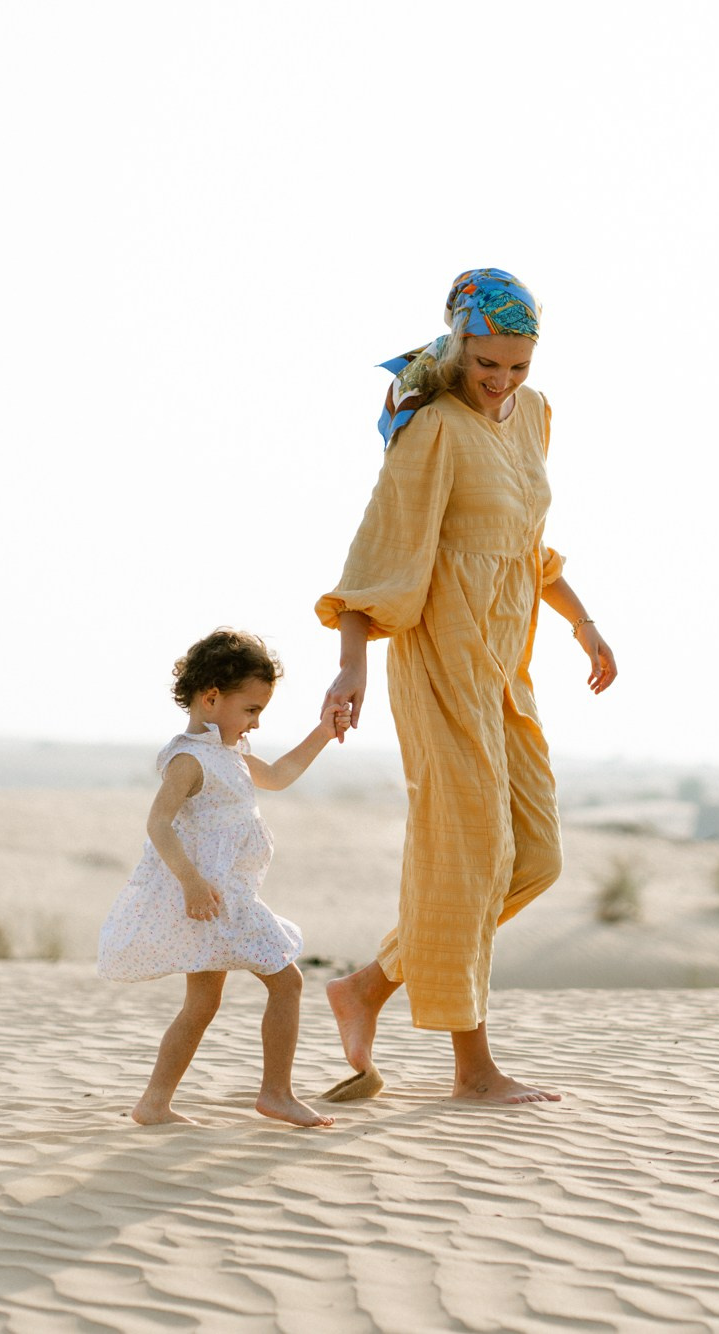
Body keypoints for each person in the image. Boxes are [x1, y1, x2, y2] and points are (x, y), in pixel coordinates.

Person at [316, 268, 617, 1105]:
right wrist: (350, 665)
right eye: (488, 362)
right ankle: (472, 1069)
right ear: (457, 340)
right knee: (472, 854)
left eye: (517, 365)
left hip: (504, 669)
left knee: (536, 856)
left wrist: (581, 620)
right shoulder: (434, 428)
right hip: (440, 661)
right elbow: (380, 556)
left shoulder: (536, 416)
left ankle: (369, 986)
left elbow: (526, 542)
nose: (503, 380)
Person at [97, 629, 348, 1128]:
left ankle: (154, 1103)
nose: (256, 721)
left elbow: (276, 775)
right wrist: (190, 881)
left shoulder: (229, 751)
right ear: (211, 698)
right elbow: (158, 823)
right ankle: (275, 1093)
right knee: (287, 981)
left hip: (227, 896)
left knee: (202, 1003)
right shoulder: (190, 759)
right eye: (251, 709)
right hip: (214, 897)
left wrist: (324, 731)